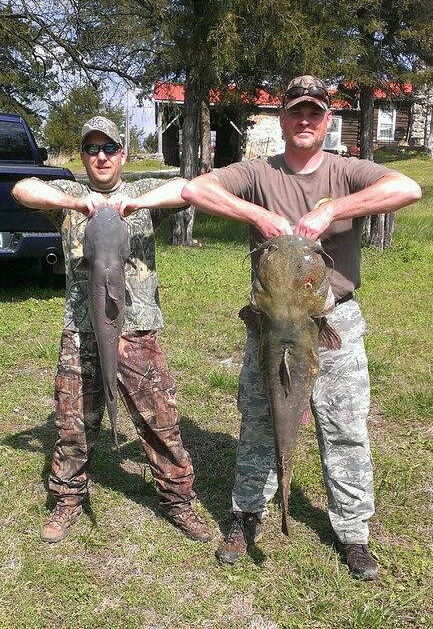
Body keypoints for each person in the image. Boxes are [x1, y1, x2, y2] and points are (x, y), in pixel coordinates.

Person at [181, 75, 422, 580]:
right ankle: (246, 515)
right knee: (259, 420)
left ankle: (353, 533)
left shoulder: (347, 169)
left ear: (327, 120)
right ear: (283, 119)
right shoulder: (258, 171)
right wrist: (256, 214)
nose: (305, 121)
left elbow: (408, 186)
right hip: (268, 323)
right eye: (296, 113)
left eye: (315, 113)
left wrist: (335, 207)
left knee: (345, 428)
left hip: (333, 319)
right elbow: (194, 188)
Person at [12, 115, 217, 544]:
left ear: (123, 153)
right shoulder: (69, 195)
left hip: (139, 331)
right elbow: (21, 189)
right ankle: (68, 499)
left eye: (109, 148)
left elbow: (189, 187)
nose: (100, 156)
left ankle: (177, 500)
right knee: (72, 424)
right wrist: (76, 206)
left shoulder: (142, 193)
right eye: (91, 149)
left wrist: (137, 205)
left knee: (162, 424)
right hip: (81, 331)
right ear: (83, 155)